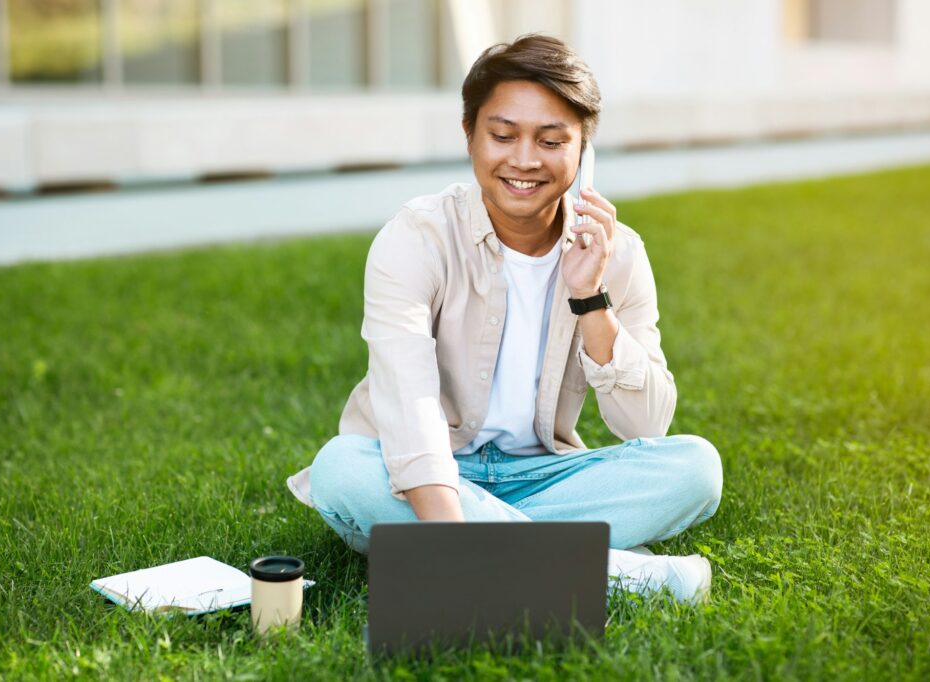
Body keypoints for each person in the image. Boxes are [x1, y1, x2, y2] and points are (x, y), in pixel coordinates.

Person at [287, 34, 722, 603]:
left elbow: (646, 426)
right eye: (502, 135)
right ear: (469, 134)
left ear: (583, 152)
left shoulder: (620, 253)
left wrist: (590, 296)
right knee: (341, 468)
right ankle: (615, 572)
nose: (523, 160)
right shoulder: (415, 238)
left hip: (545, 475)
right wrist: (451, 530)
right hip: (423, 478)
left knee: (696, 468)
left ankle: (480, 553)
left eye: (550, 140)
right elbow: (409, 401)